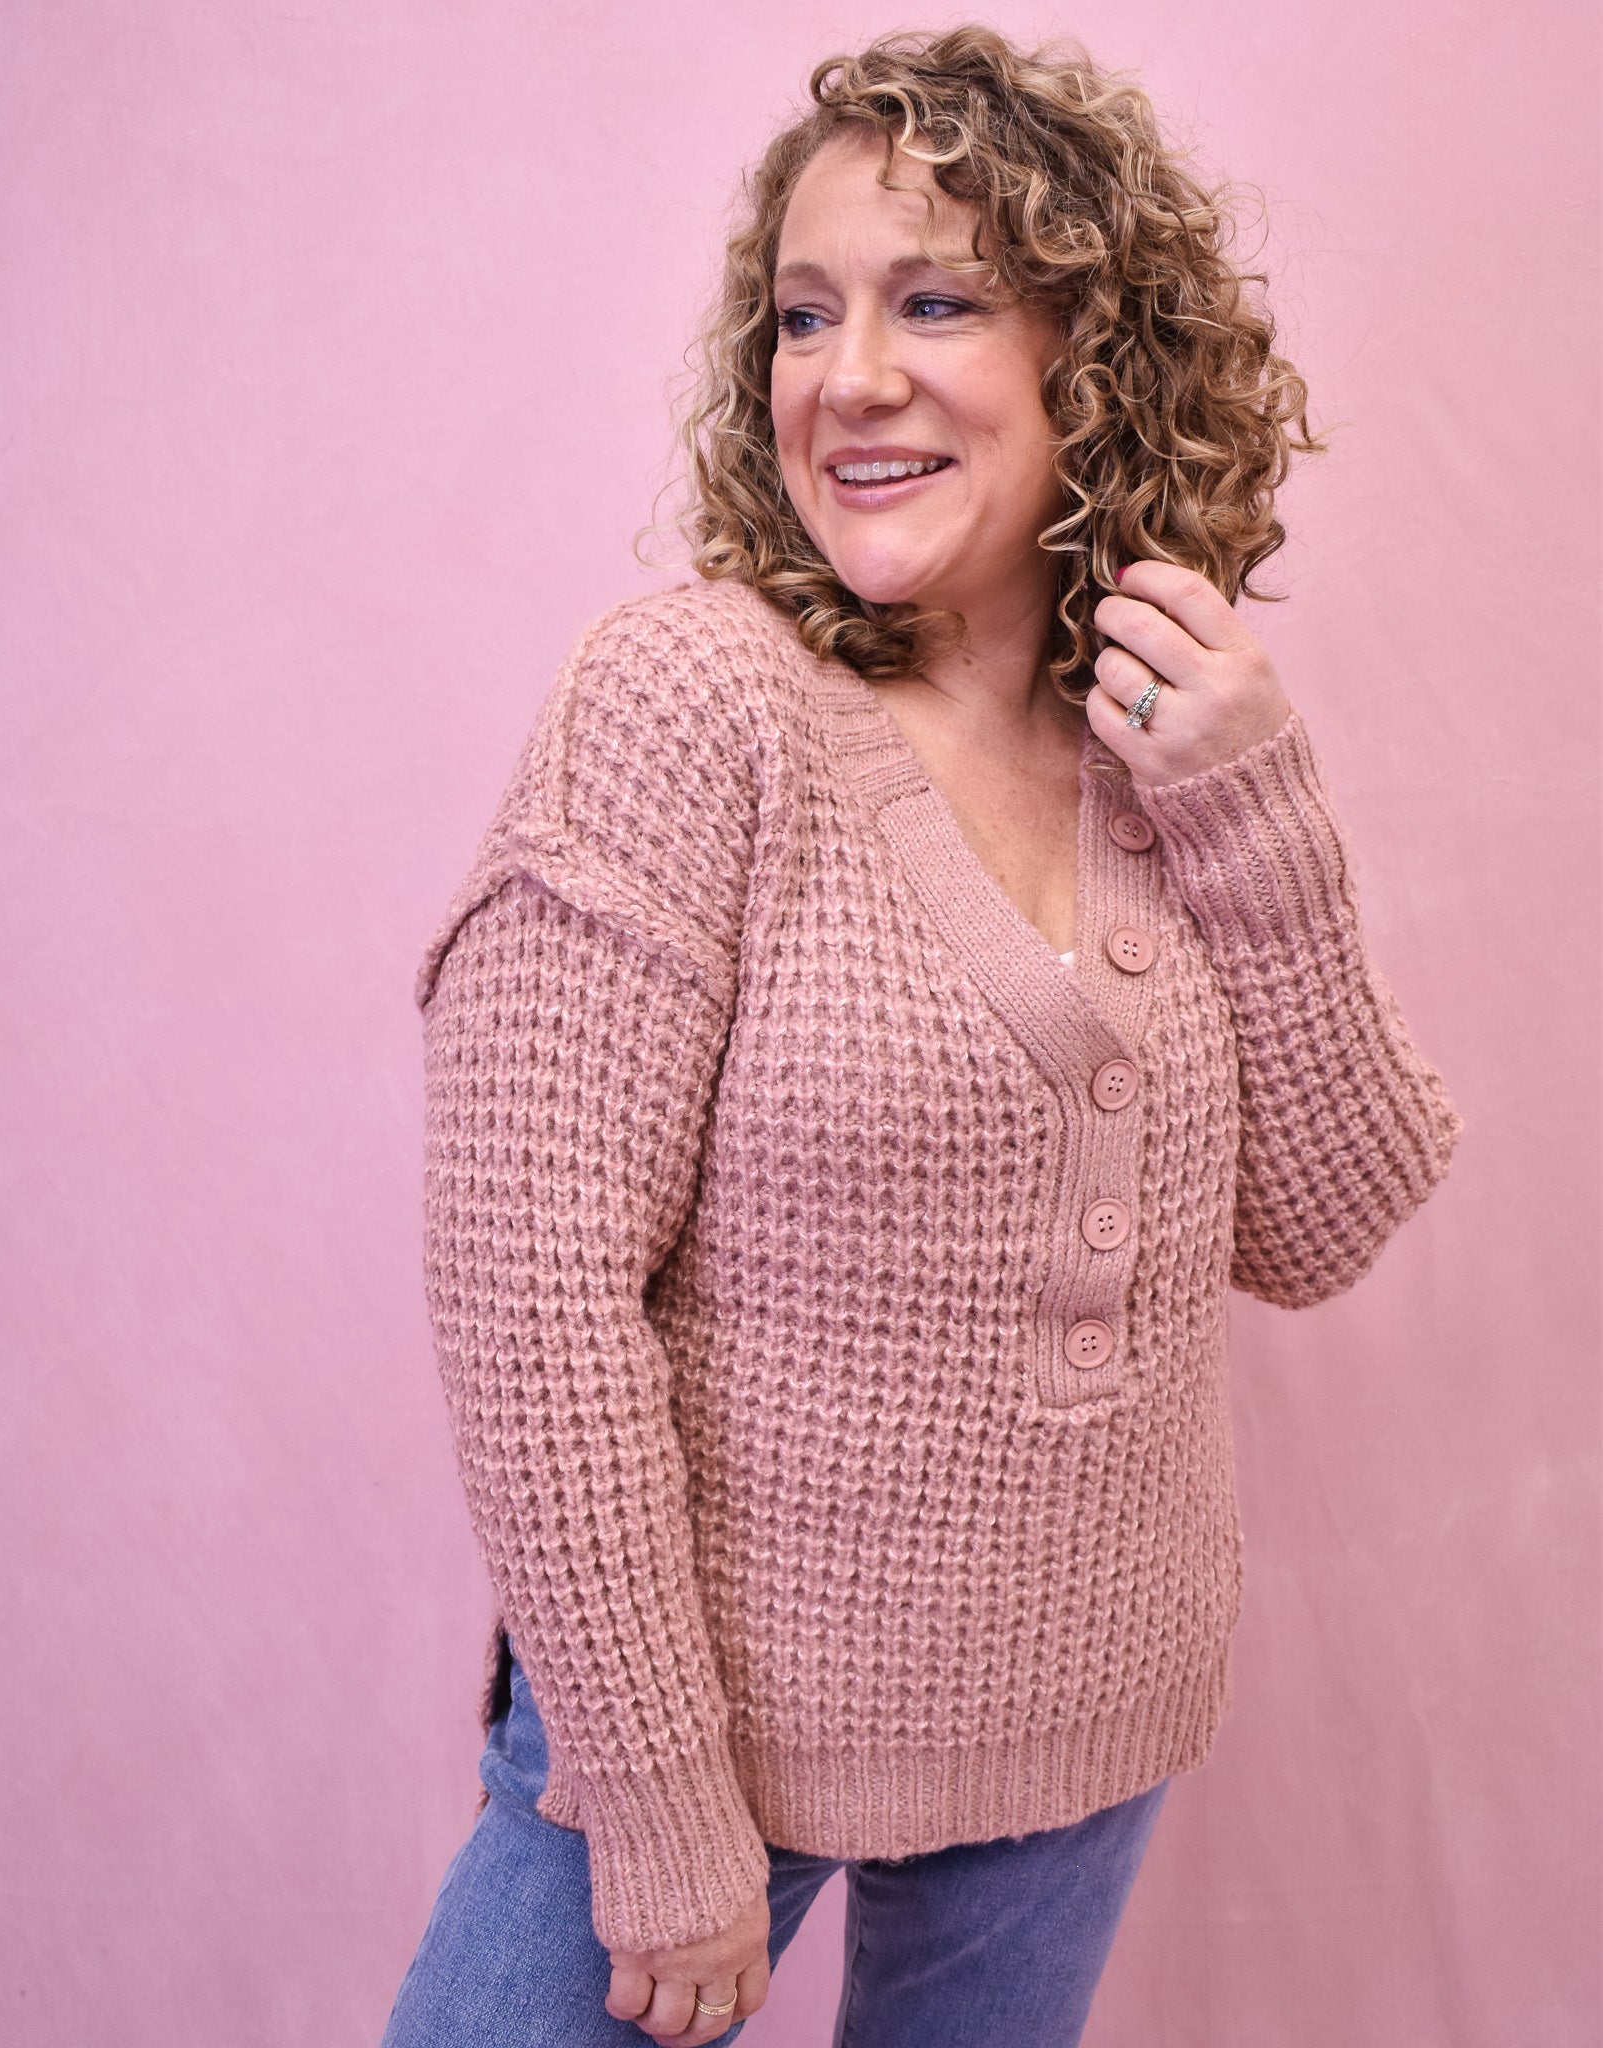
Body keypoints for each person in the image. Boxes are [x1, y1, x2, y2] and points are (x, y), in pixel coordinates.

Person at [382, 26, 1463, 2048]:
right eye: (803, 314)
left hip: (1091, 1704)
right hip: (695, 1729)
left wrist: (1261, 806)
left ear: (1093, 356)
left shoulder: (1162, 736)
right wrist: (665, 1813)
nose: (848, 373)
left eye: (936, 297)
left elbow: (1318, 1224)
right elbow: (532, 1295)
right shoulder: (688, 703)